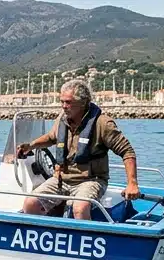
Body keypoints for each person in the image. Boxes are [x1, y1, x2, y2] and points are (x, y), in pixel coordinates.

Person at [8, 78, 141, 220]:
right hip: (61, 179)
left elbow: (127, 151)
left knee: (80, 208)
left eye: (68, 102)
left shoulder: (102, 124)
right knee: (30, 203)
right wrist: (31, 145)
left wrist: (132, 184)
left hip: (91, 180)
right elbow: (51, 138)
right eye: (62, 102)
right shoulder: (63, 119)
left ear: (83, 103)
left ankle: (87, 233)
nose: (64, 106)